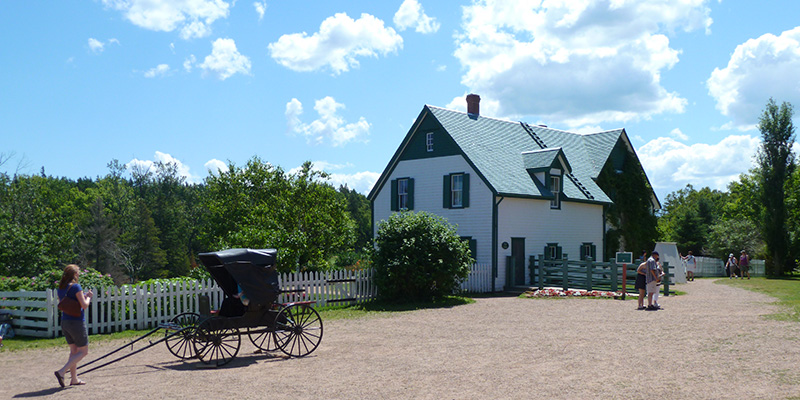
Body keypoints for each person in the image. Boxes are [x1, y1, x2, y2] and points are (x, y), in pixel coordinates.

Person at [54, 264, 93, 388]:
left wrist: (84, 298)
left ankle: (74, 379)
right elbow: (84, 305)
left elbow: (65, 304)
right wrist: (89, 298)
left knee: (74, 351)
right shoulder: (76, 286)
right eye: (78, 272)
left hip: (65, 321)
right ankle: (62, 371)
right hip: (76, 322)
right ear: (75, 274)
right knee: (84, 351)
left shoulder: (61, 288)